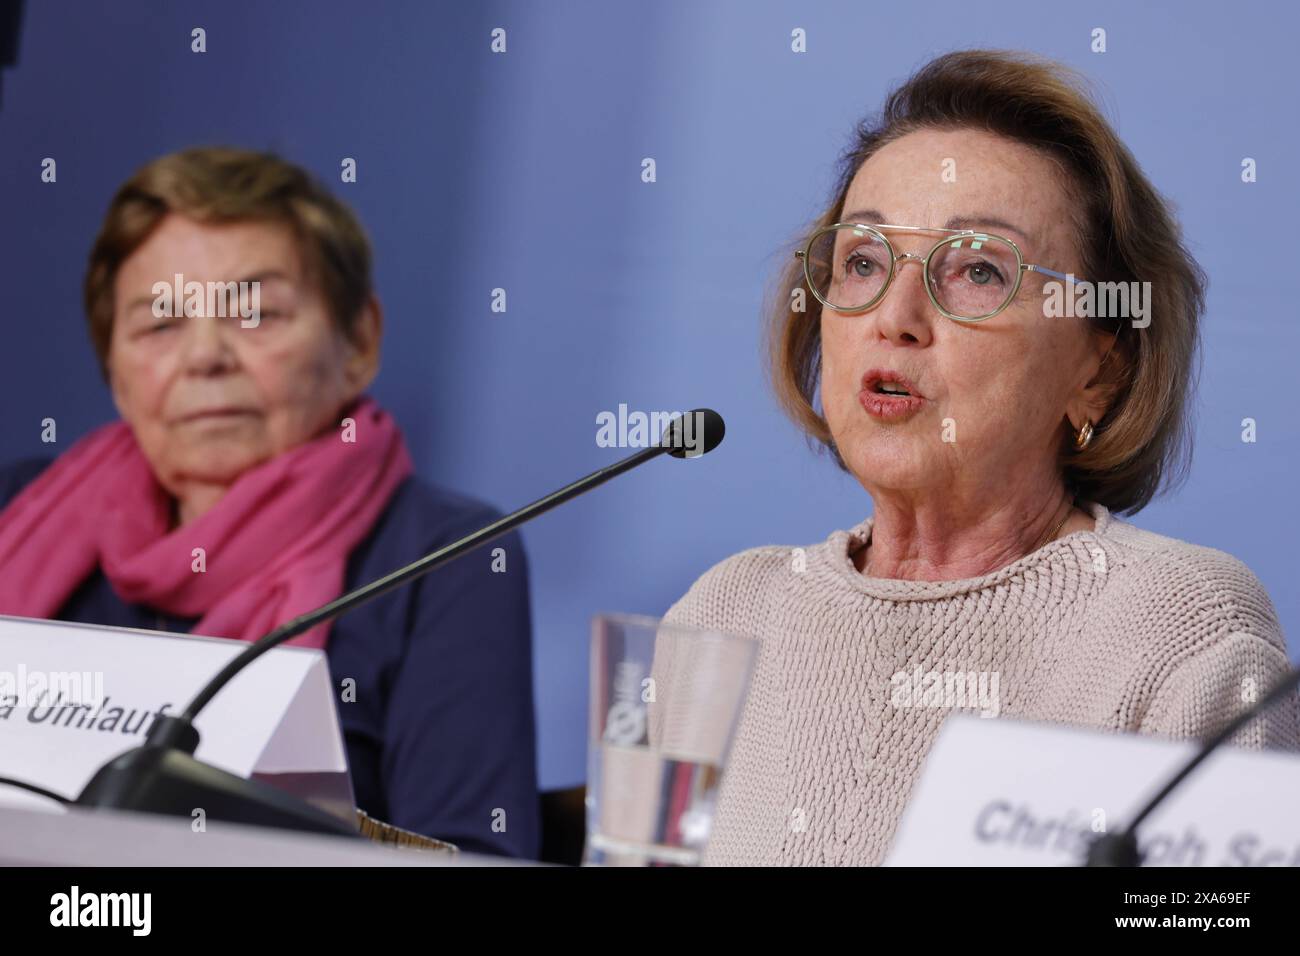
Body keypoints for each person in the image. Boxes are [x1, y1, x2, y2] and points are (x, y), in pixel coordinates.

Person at [662, 50, 1300, 866]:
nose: (895, 315)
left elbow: (1203, 920)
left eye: (975, 271)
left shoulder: (1180, 632)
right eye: (862, 259)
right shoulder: (725, 615)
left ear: (1098, 369)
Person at [0, 147, 539, 858]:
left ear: (360, 342)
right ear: (115, 370)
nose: (205, 356)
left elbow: (474, 862)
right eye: (160, 324)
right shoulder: (17, 506)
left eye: (253, 312)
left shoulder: (447, 556)